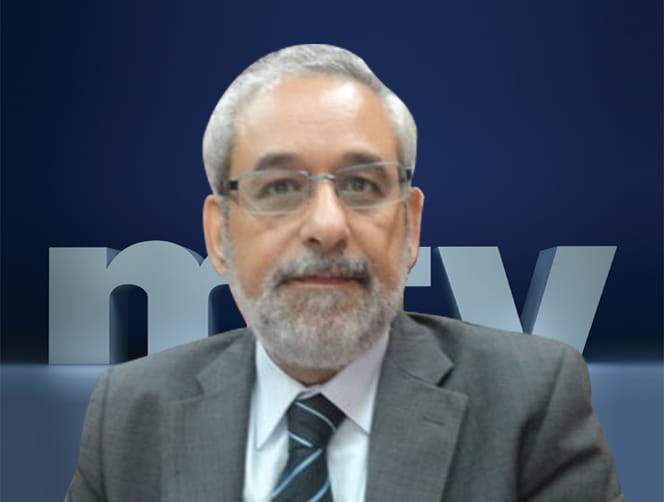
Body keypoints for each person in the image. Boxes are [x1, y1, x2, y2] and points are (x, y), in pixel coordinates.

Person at [65, 44, 625, 502]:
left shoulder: (530, 401)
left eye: (361, 185)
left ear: (409, 226)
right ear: (219, 234)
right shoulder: (130, 414)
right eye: (280, 188)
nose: (327, 225)